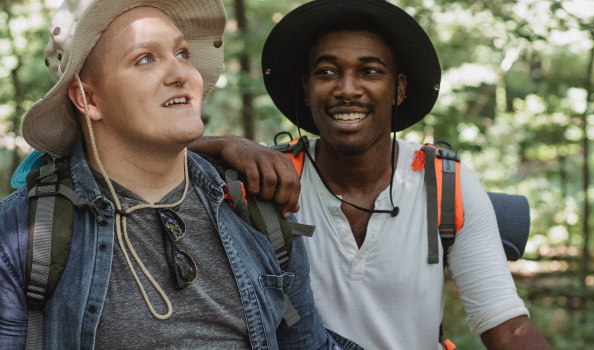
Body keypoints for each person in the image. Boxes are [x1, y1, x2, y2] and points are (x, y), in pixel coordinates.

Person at [190, 1, 553, 349]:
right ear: (306, 87)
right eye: (327, 72)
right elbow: (148, 162)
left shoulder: (443, 185)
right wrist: (226, 144)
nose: (347, 89)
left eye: (370, 71)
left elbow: (504, 323)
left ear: (399, 88)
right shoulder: (270, 178)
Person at [0, 0, 361, 349]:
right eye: (145, 59)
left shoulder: (256, 207)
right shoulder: (26, 233)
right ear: (88, 100)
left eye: (183, 53)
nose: (181, 73)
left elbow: (306, 343)